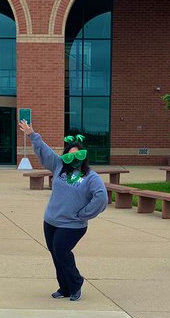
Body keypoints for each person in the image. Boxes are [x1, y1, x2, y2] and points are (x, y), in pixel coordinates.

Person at [19, 121, 108, 301]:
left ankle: (76, 284)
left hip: (73, 225)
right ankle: (64, 287)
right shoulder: (59, 166)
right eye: (70, 154)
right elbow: (45, 153)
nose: (73, 158)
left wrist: (84, 214)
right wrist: (32, 135)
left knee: (62, 251)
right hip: (51, 221)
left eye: (77, 155)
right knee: (55, 254)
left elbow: (101, 197)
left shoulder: (90, 177)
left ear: (83, 156)